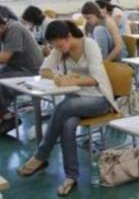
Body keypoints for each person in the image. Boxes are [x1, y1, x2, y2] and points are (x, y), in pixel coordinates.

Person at [17, 20, 117, 196]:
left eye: (60, 44)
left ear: (69, 36)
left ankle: (41, 155)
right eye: (55, 46)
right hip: (76, 99)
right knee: (68, 125)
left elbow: (96, 79)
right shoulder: (60, 48)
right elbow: (43, 70)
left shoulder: (89, 45)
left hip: (99, 98)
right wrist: (57, 76)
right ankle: (71, 176)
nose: (59, 49)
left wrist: (73, 80)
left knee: (63, 107)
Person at [0, 15, 44, 135]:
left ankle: (8, 118)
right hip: (16, 67)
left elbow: (4, 58)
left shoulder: (14, 29)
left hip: (31, 71)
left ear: (1, 25)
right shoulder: (6, 29)